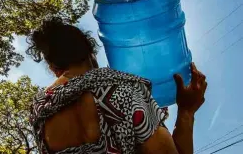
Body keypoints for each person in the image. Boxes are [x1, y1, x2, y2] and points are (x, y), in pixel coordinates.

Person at [27, 17, 207, 154]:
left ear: (53, 68)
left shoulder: (39, 111)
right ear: (90, 51)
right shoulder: (122, 88)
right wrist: (186, 112)